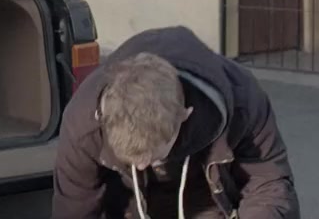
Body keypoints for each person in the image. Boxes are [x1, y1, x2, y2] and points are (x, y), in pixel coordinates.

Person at [52, 26, 299, 219]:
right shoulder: (83, 124)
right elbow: (73, 209)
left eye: (151, 156)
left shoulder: (243, 100)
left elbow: (268, 185)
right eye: (131, 158)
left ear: (185, 115)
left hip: (207, 197)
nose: (141, 165)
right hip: (128, 203)